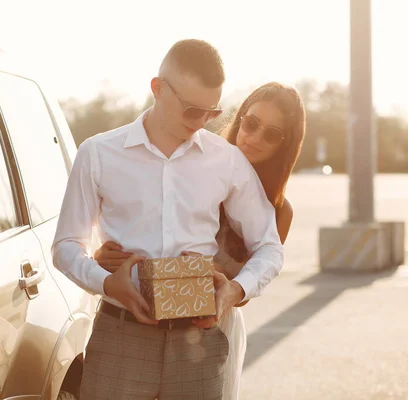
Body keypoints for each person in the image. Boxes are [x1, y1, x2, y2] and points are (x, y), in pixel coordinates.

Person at [52, 39, 284, 400]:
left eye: (212, 113)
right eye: (193, 110)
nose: (202, 122)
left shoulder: (226, 160)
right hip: (119, 339)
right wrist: (108, 284)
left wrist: (234, 291)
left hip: (201, 346)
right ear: (157, 89)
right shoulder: (98, 154)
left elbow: (270, 247)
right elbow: (66, 246)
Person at [93, 81, 306, 399]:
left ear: (284, 146)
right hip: (138, 324)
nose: (255, 138)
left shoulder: (277, 210)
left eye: (272, 134)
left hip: (211, 327)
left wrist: (227, 290)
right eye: (252, 123)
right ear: (240, 118)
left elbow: (247, 289)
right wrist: (105, 256)